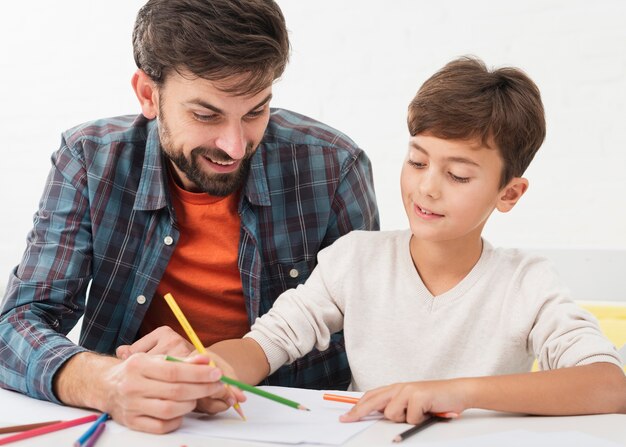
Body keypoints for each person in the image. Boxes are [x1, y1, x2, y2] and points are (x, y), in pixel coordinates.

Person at [0, 0, 379, 434]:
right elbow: (16, 324)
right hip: (138, 429)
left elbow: (371, 328)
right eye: (205, 114)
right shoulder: (90, 160)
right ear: (148, 94)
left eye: (256, 111)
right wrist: (106, 382)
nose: (235, 146)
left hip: (293, 429)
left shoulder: (332, 167)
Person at [209, 56, 626, 424]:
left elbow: (609, 386)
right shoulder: (356, 260)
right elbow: (267, 343)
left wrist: (457, 393)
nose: (427, 188)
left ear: (509, 193)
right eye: (417, 161)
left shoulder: (525, 283)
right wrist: (211, 368)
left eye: (458, 175)